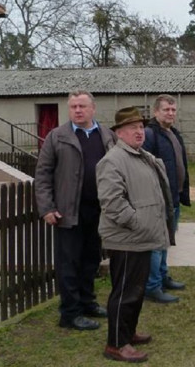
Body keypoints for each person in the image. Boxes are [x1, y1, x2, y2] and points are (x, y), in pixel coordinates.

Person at [96, 106, 174, 363]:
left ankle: (127, 332)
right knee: (125, 292)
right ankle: (116, 344)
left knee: (136, 291)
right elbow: (112, 202)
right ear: (119, 133)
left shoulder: (139, 155)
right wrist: (138, 223)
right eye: (132, 128)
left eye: (141, 127)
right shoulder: (112, 161)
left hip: (140, 237)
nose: (139, 132)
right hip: (127, 238)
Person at [35, 90, 114, 330]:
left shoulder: (107, 136)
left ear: (93, 109)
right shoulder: (57, 137)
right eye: (73, 107)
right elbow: (43, 174)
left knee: (91, 260)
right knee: (69, 264)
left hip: (97, 210)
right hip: (67, 212)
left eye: (82, 106)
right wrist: (47, 207)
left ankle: (88, 303)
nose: (77, 111)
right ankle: (70, 313)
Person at [142, 94, 190, 303]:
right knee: (156, 243)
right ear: (155, 112)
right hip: (159, 199)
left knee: (166, 241)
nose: (170, 113)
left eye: (173, 110)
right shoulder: (150, 134)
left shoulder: (173, 133)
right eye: (166, 110)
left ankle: (162, 277)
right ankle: (152, 286)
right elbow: (145, 168)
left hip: (174, 197)